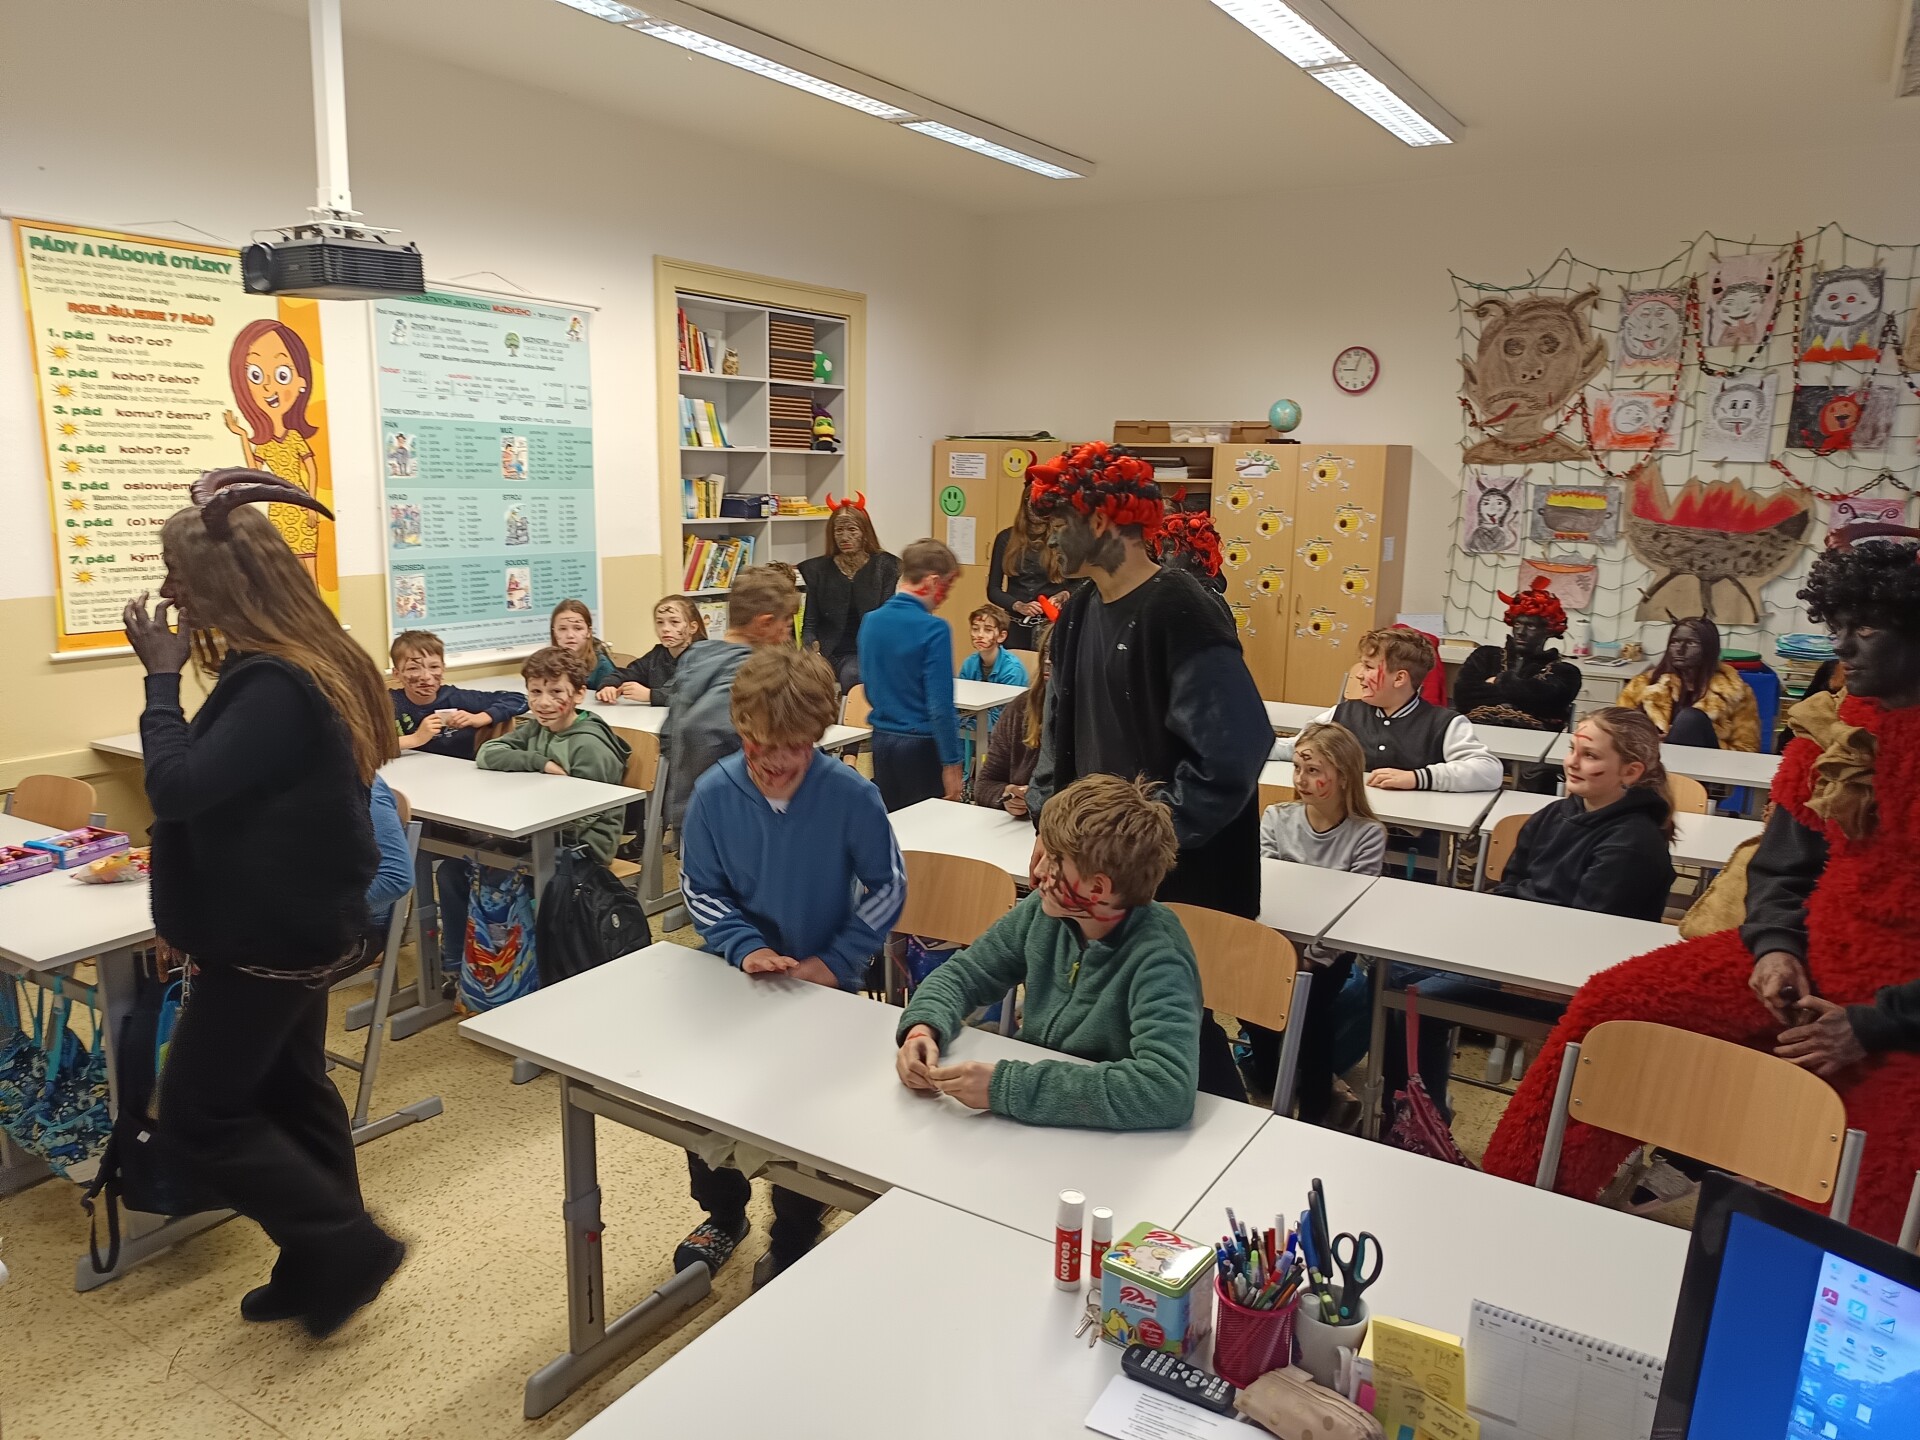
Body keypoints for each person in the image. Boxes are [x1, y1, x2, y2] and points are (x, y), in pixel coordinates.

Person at [1483, 529, 1920, 1242]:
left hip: (1903, 1007)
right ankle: (1512, 1205)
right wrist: (1774, 946)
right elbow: (1783, 869)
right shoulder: (1832, 731)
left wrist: (1872, 1025)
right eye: (1838, 626)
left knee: (1865, 1187)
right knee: (1614, 1007)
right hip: (1812, 955)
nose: (1841, 646)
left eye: (1866, 629)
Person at [123, 466, 402, 1336]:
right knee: (292, 1094)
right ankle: (317, 1267)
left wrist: (160, 681)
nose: (170, 591)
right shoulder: (290, 665)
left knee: (198, 1118)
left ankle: (349, 1247)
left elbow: (176, 789)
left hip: (270, 939)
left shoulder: (276, 683)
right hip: (296, 925)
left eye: (180, 574)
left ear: (223, 580)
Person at [1023, 441, 1270, 1102]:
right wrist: (1052, 829)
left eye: (1059, 524)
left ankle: (1227, 1142)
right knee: (1118, 1019)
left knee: (1176, 1025)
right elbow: (1059, 737)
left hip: (1179, 874)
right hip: (1101, 869)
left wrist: (1139, 844)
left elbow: (1234, 751)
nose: (1050, 541)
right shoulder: (1079, 610)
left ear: (1102, 521)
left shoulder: (1180, 609)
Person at [675, 647, 905, 1287]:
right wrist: (743, 944)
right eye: (760, 745)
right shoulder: (714, 794)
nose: (775, 761)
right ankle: (723, 1215)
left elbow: (887, 886)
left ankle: (795, 1236)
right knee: (708, 1109)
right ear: (741, 729)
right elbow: (700, 887)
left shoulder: (852, 796)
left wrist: (835, 961)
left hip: (822, 990)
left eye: (795, 748)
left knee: (808, 1126)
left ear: (819, 737)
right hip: (736, 985)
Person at [1387, 707, 1680, 1116]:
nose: (1573, 762)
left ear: (1630, 772)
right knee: (1390, 968)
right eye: (1573, 749)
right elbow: (1509, 886)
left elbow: (1584, 936)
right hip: (1517, 955)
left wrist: (1502, 945)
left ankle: (1420, 1118)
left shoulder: (1632, 844)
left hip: (1561, 983)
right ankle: (1416, 1109)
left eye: (1591, 756)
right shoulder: (1556, 814)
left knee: (1414, 996)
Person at [895, 774, 1200, 1130]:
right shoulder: (1043, 913)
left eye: (1053, 860)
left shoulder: (1160, 958)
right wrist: (923, 1027)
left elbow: (1165, 1090)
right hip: (1038, 1124)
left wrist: (1007, 1087)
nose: (1037, 871)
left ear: (1097, 887)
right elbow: (964, 975)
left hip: (1106, 1143)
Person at [1250, 723, 1386, 1123]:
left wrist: (1311, 958)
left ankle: (1314, 1108)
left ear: (1343, 776)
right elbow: (1265, 892)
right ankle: (1273, 1081)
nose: (1301, 779)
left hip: (1328, 951)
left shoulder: (1367, 834)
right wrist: (1280, 952)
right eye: (1297, 768)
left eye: (1313, 771)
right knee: (1254, 1005)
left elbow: (1353, 909)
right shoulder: (1277, 817)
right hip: (1276, 943)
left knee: (1309, 1013)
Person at [1274, 627, 1502, 793]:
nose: (1359, 675)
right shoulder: (1341, 715)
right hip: (1349, 828)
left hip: (1412, 835)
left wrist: (1417, 778)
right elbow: (1293, 748)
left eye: (1369, 667)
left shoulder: (1444, 723)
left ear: (1400, 678)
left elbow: (1489, 771)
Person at [661, 566, 799, 834]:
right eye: (785, 627)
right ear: (765, 623)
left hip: (690, 808)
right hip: (728, 818)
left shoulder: (696, 655)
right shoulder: (749, 671)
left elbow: (670, 733)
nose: (786, 636)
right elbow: (701, 729)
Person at [473, 646, 631, 862]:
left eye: (556, 692)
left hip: (584, 845)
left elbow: (587, 814)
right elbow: (486, 753)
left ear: (579, 694)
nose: (543, 702)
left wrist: (525, 822)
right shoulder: (538, 727)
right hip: (539, 828)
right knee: (455, 869)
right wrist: (541, 762)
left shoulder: (589, 745)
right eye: (535, 692)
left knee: (499, 870)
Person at [857, 538, 965, 810]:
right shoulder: (934, 629)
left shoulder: (871, 621)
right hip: (921, 746)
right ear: (932, 582)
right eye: (948, 586)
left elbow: (868, 688)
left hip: (882, 740)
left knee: (895, 823)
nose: (947, 596)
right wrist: (952, 762)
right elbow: (940, 706)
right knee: (928, 826)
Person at [221, 320, 324, 577]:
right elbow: (253, 471)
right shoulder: (265, 444)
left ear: (301, 382)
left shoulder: (294, 436)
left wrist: (312, 506)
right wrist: (242, 435)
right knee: (286, 573)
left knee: (309, 569)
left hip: (301, 506)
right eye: (255, 375)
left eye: (282, 374)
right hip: (279, 509)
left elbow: (312, 470)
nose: (268, 387)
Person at [1452, 577, 1582, 733]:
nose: (1521, 632)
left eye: (1531, 626)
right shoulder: (1485, 655)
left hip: (1532, 741)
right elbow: (1463, 697)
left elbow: (1550, 705)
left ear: (1548, 631)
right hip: (1477, 734)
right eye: (1518, 624)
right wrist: (1527, 696)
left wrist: (1499, 681)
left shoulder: (1565, 671)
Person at [798, 496, 897, 693]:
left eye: (852, 530)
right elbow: (809, 625)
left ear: (865, 532)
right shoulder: (817, 570)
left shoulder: (885, 567)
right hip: (826, 650)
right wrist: (811, 651)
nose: (844, 537)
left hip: (865, 651)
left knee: (852, 674)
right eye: (839, 531)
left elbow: (886, 621)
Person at [1618, 616, 1760, 751]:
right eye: (1674, 642)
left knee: (1690, 719)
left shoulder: (1737, 694)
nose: (1680, 649)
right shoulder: (1643, 684)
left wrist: (1686, 737)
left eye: (1691, 643)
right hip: (1649, 762)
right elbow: (1616, 732)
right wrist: (1650, 741)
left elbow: (1747, 749)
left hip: (1706, 763)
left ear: (1709, 649)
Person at [388, 629, 526, 758]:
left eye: (434, 667)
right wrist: (415, 738)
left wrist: (481, 718)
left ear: (443, 669)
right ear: (397, 674)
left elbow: (521, 699)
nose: (426, 676)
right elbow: (374, 747)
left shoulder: (455, 697)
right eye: (413, 668)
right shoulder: (387, 703)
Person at [974, 622, 1050, 815]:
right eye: (1047, 651)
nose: (1049, 660)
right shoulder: (1021, 708)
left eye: (1059, 653)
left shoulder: (1096, 717)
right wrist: (1007, 794)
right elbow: (984, 785)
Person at [986, 481, 1071, 652]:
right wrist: (1018, 605)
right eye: (1033, 503)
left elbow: (1081, 583)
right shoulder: (1005, 538)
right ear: (1025, 505)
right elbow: (993, 589)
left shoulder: (1061, 538)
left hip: (1050, 626)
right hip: (1015, 626)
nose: (1037, 510)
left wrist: (1064, 595)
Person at [595, 594, 705, 706]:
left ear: (692, 627)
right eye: (660, 622)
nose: (665, 629)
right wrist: (609, 686)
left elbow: (695, 697)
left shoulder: (705, 657)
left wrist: (650, 695)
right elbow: (625, 674)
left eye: (675, 622)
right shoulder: (656, 656)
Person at [958, 602, 1029, 739]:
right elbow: (960, 703)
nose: (980, 635)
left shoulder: (1012, 669)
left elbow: (1005, 717)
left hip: (1006, 732)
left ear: (1001, 636)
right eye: (975, 629)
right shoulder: (969, 663)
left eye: (988, 630)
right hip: (974, 723)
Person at [1153, 506, 1229, 597]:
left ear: (1195, 557)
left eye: (1170, 550)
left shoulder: (1201, 596)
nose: (1160, 557)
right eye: (1161, 549)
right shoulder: (1183, 588)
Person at [549, 598, 619, 692]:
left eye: (578, 628)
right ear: (554, 632)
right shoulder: (547, 662)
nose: (570, 635)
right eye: (562, 629)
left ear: (588, 632)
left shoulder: (602, 667)